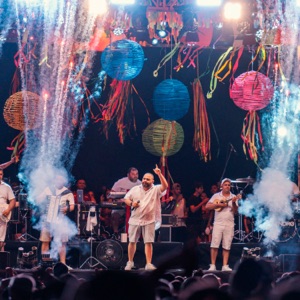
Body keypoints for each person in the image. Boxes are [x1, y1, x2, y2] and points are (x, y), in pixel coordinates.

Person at [123, 164, 168, 270]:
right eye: (143, 178)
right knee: (132, 241)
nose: (144, 180)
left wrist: (159, 174)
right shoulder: (135, 189)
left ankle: (148, 263)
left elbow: (165, 186)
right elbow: (126, 199)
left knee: (148, 242)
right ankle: (130, 262)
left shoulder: (156, 189)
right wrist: (131, 203)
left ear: (152, 181)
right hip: (135, 219)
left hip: (149, 220)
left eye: (147, 179)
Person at [39, 172, 75, 265]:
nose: (59, 181)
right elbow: (39, 200)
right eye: (57, 179)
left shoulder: (67, 192)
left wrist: (66, 208)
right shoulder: (48, 189)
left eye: (61, 180)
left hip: (60, 220)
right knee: (45, 240)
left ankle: (63, 263)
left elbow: (72, 206)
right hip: (47, 219)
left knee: (62, 242)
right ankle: (45, 263)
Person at [205, 178, 240, 272]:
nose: (227, 186)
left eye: (229, 185)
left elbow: (235, 211)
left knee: (227, 245)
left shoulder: (233, 196)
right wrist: (219, 205)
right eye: (225, 184)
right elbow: (207, 206)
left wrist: (233, 202)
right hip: (218, 223)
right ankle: (212, 265)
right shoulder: (216, 195)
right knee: (214, 244)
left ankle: (225, 265)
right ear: (221, 186)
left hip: (229, 223)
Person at [111, 167, 141, 237]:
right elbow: (112, 193)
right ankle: (115, 233)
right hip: (121, 205)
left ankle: (137, 235)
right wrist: (118, 200)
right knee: (115, 215)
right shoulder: (121, 182)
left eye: (136, 174)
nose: (135, 176)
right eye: (133, 174)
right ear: (128, 175)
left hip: (134, 206)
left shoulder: (140, 183)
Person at [0, 168, 16, 251]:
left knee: (1, 240)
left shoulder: (7, 187)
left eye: (1, 174)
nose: (0, 176)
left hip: (2, 216)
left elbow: (13, 200)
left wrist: (8, 209)